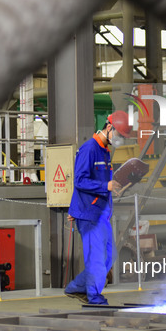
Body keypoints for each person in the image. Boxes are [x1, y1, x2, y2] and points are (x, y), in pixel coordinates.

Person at [65, 111, 131, 304]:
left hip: (101, 213)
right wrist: (105, 187)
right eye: (119, 135)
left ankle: (76, 287)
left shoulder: (104, 150)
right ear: (109, 128)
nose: (119, 140)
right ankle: (94, 298)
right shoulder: (89, 149)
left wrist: (113, 187)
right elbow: (79, 180)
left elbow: (98, 180)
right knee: (96, 260)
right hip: (90, 214)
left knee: (110, 256)